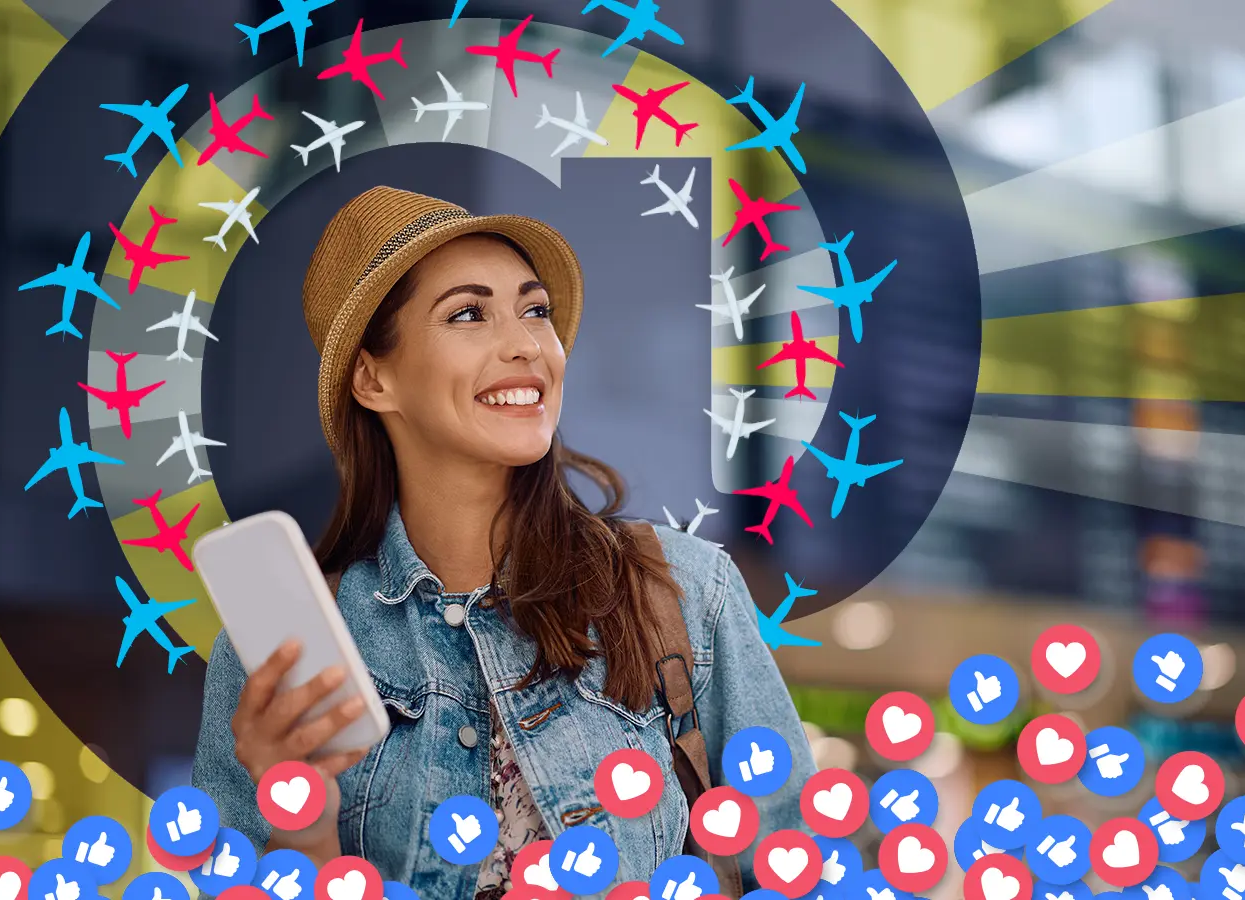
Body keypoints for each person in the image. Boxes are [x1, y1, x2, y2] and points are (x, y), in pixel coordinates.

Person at [191, 187, 816, 899]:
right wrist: (299, 823)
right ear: (373, 377)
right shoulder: (282, 660)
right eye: (467, 314)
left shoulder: (681, 592)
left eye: (536, 310)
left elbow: (798, 872)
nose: (526, 344)